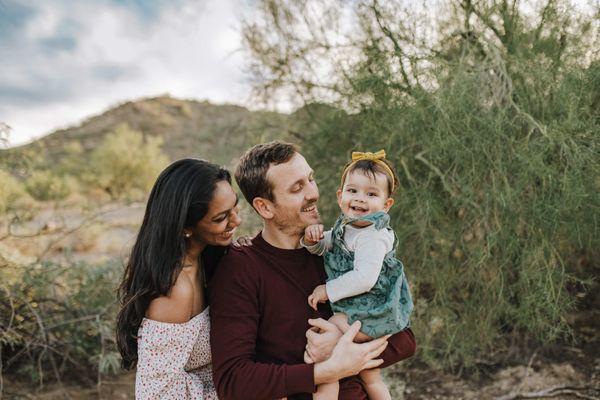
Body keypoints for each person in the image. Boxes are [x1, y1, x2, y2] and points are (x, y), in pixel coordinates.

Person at [209, 142, 416, 400]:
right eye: (297, 188)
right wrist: (323, 371)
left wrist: (344, 345)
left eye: (311, 179)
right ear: (265, 207)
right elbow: (233, 382)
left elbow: (406, 338)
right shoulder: (241, 269)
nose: (313, 193)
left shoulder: (340, 250)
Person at [116, 158, 242, 399]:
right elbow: (156, 394)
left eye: (235, 208)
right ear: (186, 226)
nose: (237, 221)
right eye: (221, 218)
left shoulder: (208, 260)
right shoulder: (176, 291)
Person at [302, 150, 414, 400]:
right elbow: (325, 246)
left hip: (372, 310)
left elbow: (365, 277)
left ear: (386, 205)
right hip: (363, 310)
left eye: (371, 194)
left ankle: (325, 393)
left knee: (325, 345)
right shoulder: (348, 228)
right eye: (353, 191)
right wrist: (312, 239)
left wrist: (326, 290)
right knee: (370, 376)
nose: (360, 199)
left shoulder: (372, 236)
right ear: (341, 197)